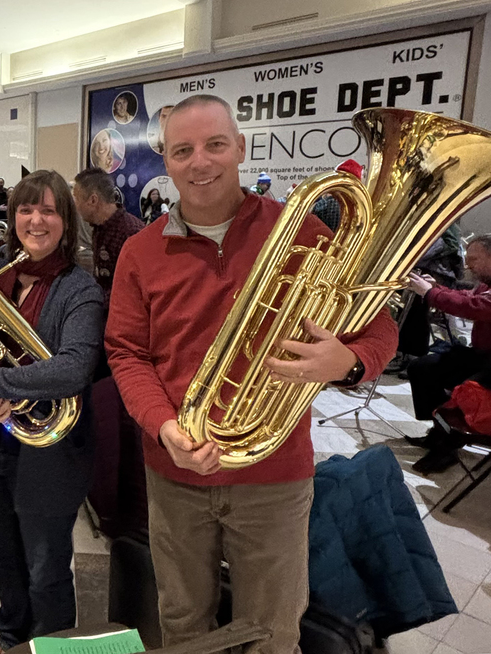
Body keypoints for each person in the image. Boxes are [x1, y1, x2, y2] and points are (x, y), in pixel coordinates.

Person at [105, 94, 398, 653]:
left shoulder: (303, 230)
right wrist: (164, 426)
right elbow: (126, 353)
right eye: (183, 150)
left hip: (275, 474)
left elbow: (378, 326)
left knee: (273, 627)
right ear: (166, 160)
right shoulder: (139, 253)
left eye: (216, 144)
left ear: (240, 148)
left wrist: (348, 362)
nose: (201, 162)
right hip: (175, 473)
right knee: (183, 620)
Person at [0, 169, 103, 654]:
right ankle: (13, 637)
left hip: (47, 457)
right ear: (11, 216)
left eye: (48, 210)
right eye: (25, 208)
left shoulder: (79, 289)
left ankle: (52, 646)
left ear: (66, 219)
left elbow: (74, 368)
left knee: (45, 567)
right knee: (2, 556)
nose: (36, 220)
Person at [405, 234, 491, 473]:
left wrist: (430, 294)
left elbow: (475, 307)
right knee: (422, 368)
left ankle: (447, 446)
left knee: (463, 390)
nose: (467, 265)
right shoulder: (487, 281)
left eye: (474, 259)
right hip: (483, 355)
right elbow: (471, 297)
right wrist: (436, 288)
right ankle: (439, 433)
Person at [72, 167, 143, 311]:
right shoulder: (99, 229)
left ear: (93, 200)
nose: (75, 205)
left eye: (77, 198)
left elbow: (133, 290)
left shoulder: (131, 233)